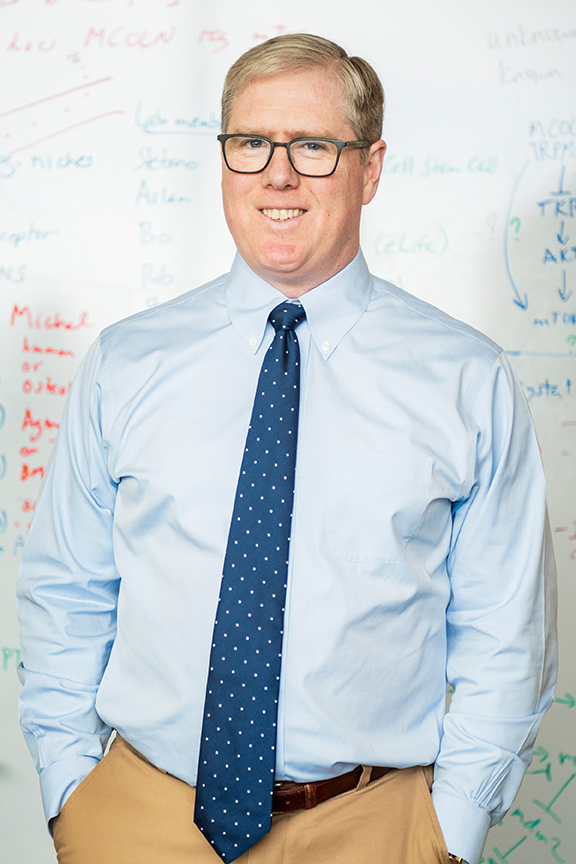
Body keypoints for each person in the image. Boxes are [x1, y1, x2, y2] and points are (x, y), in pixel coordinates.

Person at [17, 33, 556, 864]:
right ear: (226, 159)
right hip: (137, 820)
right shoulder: (126, 364)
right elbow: (66, 594)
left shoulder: (466, 380)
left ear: (370, 169)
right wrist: (70, 796)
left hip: (373, 829)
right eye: (251, 144)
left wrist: (449, 834)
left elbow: (505, 637)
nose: (278, 174)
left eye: (313, 145)